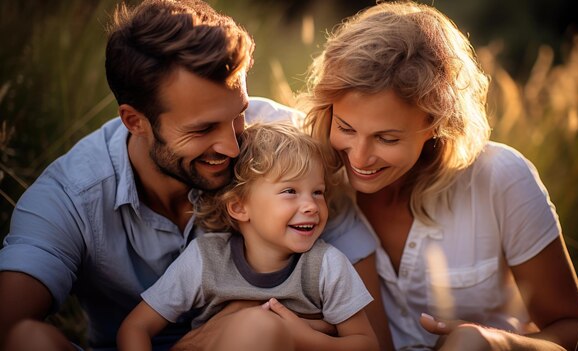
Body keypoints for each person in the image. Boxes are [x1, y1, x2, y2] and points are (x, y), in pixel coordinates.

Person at [0, 1, 381, 350]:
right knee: (27, 338)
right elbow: (9, 327)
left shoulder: (290, 149)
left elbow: (373, 331)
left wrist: (262, 324)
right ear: (136, 121)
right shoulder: (72, 194)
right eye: (202, 130)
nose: (234, 147)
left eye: (238, 115)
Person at [300, 2, 578, 351]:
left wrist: (489, 342)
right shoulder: (309, 182)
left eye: (387, 138)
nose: (360, 157)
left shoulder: (501, 179)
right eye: (346, 128)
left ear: (436, 124)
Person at [117, 122, 378, 351]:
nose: (311, 205)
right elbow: (135, 328)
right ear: (240, 207)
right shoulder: (206, 260)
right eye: (290, 191)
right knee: (258, 326)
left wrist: (303, 339)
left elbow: (366, 344)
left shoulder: (326, 266)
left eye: (318, 192)